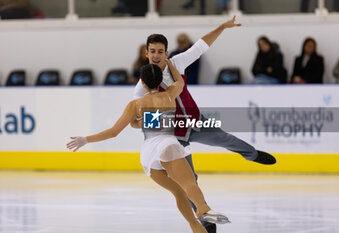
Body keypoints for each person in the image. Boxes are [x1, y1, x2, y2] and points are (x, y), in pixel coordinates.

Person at [133, 16, 276, 233]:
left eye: (160, 51)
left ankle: (252, 154)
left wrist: (222, 27)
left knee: (225, 139)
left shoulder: (178, 63)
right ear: (146, 53)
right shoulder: (142, 86)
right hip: (173, 136)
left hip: (194, 121)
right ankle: (206, 221)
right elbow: (145, 122)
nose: (156, 55)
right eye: (152, 51)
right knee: (189, 180)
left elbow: (201, 46)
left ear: (166, 53)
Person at [67, 60, 230, 233]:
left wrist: (85, 139)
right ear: (160, 81)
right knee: (189, 184)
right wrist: (171, 65)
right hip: (168, 145)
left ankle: (195, 226)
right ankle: (202, 208)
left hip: (149, 155)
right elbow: (180, 82)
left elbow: (114, 132)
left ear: (142, 82)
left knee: (178, 193)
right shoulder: (169, 95)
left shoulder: (135, 105)